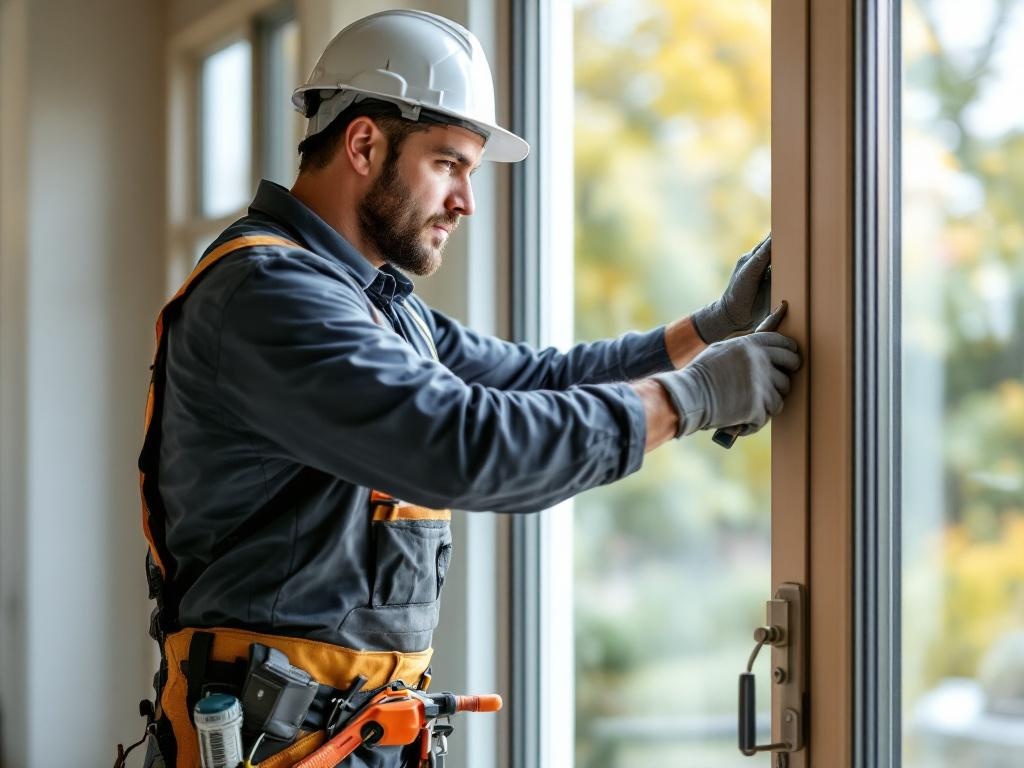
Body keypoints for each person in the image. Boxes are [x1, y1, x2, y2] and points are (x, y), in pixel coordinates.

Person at [134, 9, 800, 768]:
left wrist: (704, 331)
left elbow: (533, 378)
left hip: (343, 739)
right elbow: (460, 443)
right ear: (362, 143)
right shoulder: (267, 294)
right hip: (272, 748)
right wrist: (687, 401)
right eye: (449, 164)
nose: (465, 203)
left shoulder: (371, 302)